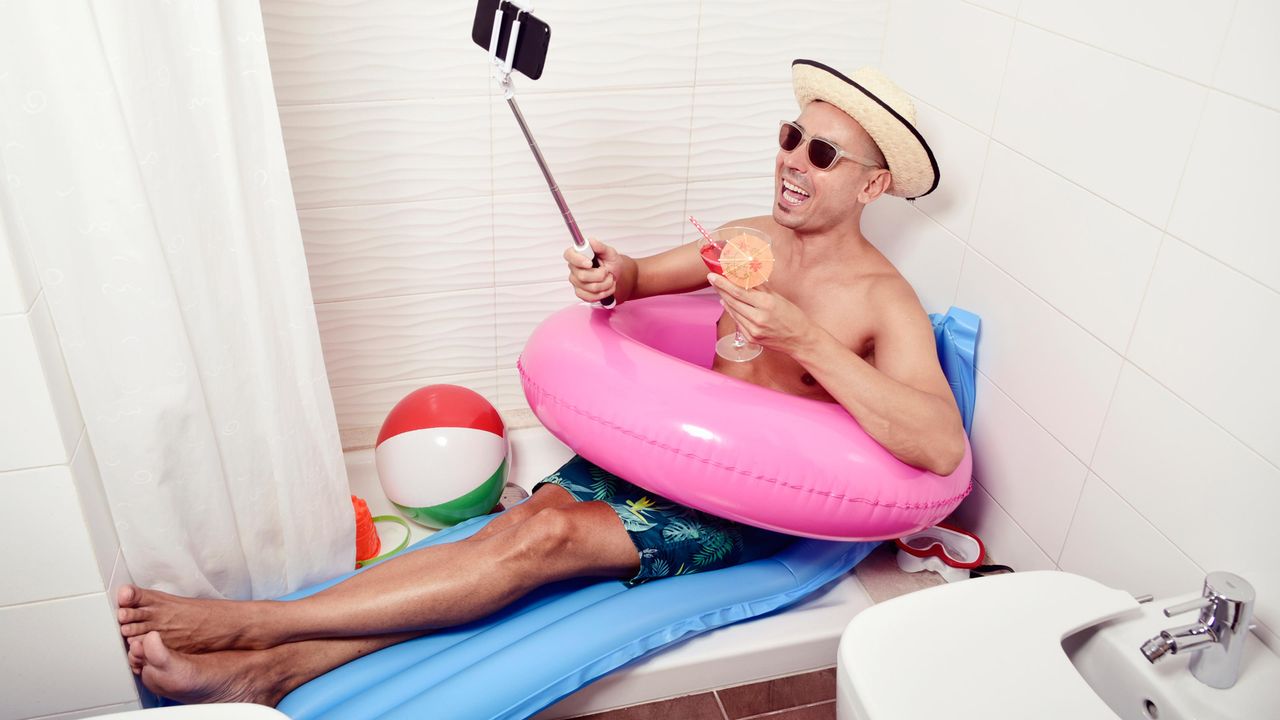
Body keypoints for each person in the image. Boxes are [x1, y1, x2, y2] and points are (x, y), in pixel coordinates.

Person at [116, 59, 966, 706]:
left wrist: (804, 339)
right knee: (522, 528)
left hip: (746, 505)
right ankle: (271, 671)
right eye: (790, 136)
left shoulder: (883, 300)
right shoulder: (748, 237)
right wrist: (608, 272)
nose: (792, 160)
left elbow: (936, 444)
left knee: (537, 545)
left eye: (821, 152)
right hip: (672, 461)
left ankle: (252, 625)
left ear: (873, 183)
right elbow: (635, 279)